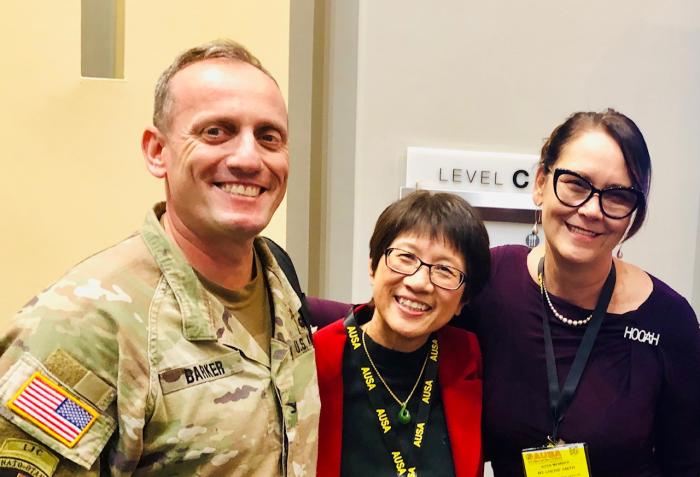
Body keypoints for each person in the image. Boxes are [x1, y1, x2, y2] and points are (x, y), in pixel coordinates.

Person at [0, 40, 319, 476]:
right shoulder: (82, 328)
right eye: (216, 131)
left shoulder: (279, 285)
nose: (249, 158)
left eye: (269, 137)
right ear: (157, 151)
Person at [465, 110, 700, 476]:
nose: (591, 210)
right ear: (541, 182)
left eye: (617, 195)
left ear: (634, 214)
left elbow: (686, 463)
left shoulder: (670, 321)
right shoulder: (490, 281)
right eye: (576, 183)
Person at [312, 190, 490, 477]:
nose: (419, 283)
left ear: (463, 301)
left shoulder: (467, 359)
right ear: (372, 266)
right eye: (406, 257)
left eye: (444, 270)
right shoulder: (315, 362)